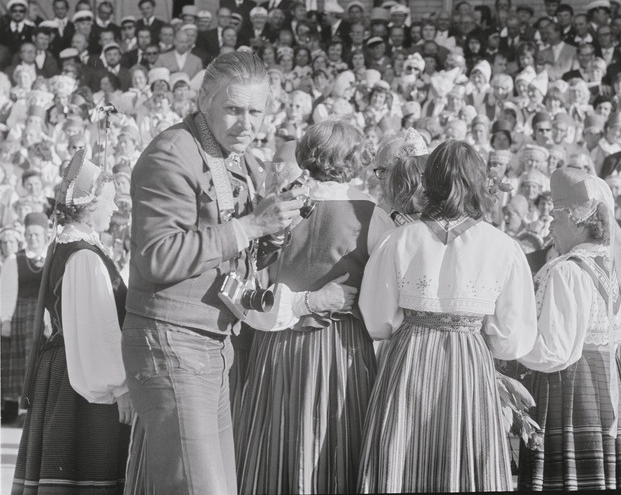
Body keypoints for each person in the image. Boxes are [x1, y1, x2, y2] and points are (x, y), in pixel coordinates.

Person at [120, 52, 305, 494]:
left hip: (211, 342)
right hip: (173, 340)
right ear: (204, 100)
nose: (246, 123)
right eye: (234, 109)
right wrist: (251, 225)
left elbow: (232, 254)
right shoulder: (172, 153)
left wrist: (273, 233)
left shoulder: (234, 157)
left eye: (255, 111)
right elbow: (159, 257)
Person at [357, 140, 537, 492]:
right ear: (478, 181)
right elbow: (511, 337)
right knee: (463, 455)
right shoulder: (502, 245)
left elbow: (377, 318)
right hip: (469, 358)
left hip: (409, 352)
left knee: (404, 453)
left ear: (430, 181)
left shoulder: (399, 240)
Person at [235, 120, 393, 494]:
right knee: (333, 444)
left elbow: (251, 286)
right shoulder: (372, 216)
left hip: (277, 345)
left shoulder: (275, 209)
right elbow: (384, 301)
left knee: (274, 448)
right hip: (342, 348)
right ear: (355, 160)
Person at [517, 167, 621, 490]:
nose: (551, 226)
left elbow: (556, 351)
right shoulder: (614, 263)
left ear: (577, 220)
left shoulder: (568, 271)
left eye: (556, 217)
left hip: (571, 386)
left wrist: (511, 344)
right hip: (608, 384)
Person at [12, 150, 132, 495]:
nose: (114, 209)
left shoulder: (72, 245)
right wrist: (119, 387)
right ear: (90, 206)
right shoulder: (83, 255)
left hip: (70, 369)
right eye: (109, 202)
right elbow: (99, 331)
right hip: (84, 375)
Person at [0, 211, 48, 423]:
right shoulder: (15, 259)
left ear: (45, 235)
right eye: (29, 234)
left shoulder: (52, 258)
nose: (33, 239)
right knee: (22, 364)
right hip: (21, 315)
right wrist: (6, 319)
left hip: (43, 316)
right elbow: (7, 291)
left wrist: (49, 321)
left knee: (38, 363)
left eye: (37, 235)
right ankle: (20, 411)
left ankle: (36, 410)